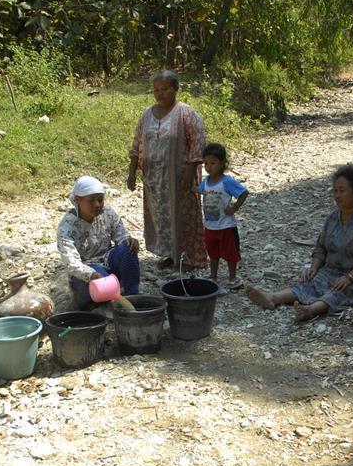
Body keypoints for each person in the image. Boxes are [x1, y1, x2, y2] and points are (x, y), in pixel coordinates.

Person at [246, 165, 353, 321]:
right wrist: (314, 267)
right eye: (335, 191)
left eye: (342, 191)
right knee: (310, 283)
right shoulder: (333, 218)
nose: (337, 195)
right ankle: (272, 298)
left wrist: (349, 277)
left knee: (338, 292)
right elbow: (321, 247)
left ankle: (310, 310)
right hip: (332, 270)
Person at [127, 69, 207, 271]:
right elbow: (137, 144)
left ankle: (189, 258)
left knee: (184, 217)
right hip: (154, 179)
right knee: (160, 216)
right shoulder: (147, 115)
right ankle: (170, 254)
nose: (160, 93)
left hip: (179, 177)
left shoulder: (186, 114)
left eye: (165, 89)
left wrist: (189, 174)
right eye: (156, 90)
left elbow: (198, 144)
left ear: (175, 89)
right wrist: (132, 173)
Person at [57, 175, 141, 309]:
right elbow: (72, 263)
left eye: (100, 200)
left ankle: (133, 296)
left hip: (108, 259)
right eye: (91, 201)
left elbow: (121, 235)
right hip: (87, 268)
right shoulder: (67, 227)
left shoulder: (107, 212)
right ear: (78, 200)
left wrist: (129, 240)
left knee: (127, 248)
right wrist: (91, 275)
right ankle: (95, 302)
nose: (97, 205)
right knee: (100, 287)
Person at [197, 142, 249, 289]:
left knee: (230, 252)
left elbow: (244, 193)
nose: (209, 167)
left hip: (226, 225)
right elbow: (198, 190)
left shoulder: (227, 181)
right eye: (206, 163)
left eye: (213, 163)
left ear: (222, 164)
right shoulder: (206, 182)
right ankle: (213, 276)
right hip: (210, 226)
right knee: (212, 253)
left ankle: (232, 277)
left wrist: (234, 207)